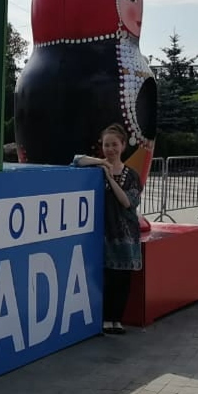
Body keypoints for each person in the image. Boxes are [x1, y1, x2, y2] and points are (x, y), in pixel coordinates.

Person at [71, 123, 144, 334]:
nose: (110, 149)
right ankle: (104, 319)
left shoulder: (132, 175)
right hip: (102, 233)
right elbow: (77, 160)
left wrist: (110, 178)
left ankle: (116, 319)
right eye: (106, 145)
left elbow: (127, 202)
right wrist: (102, 163)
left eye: (114, 144)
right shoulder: (98, 169)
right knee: (104, 277)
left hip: (125, 235)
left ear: (123, 145)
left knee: (122, 279)